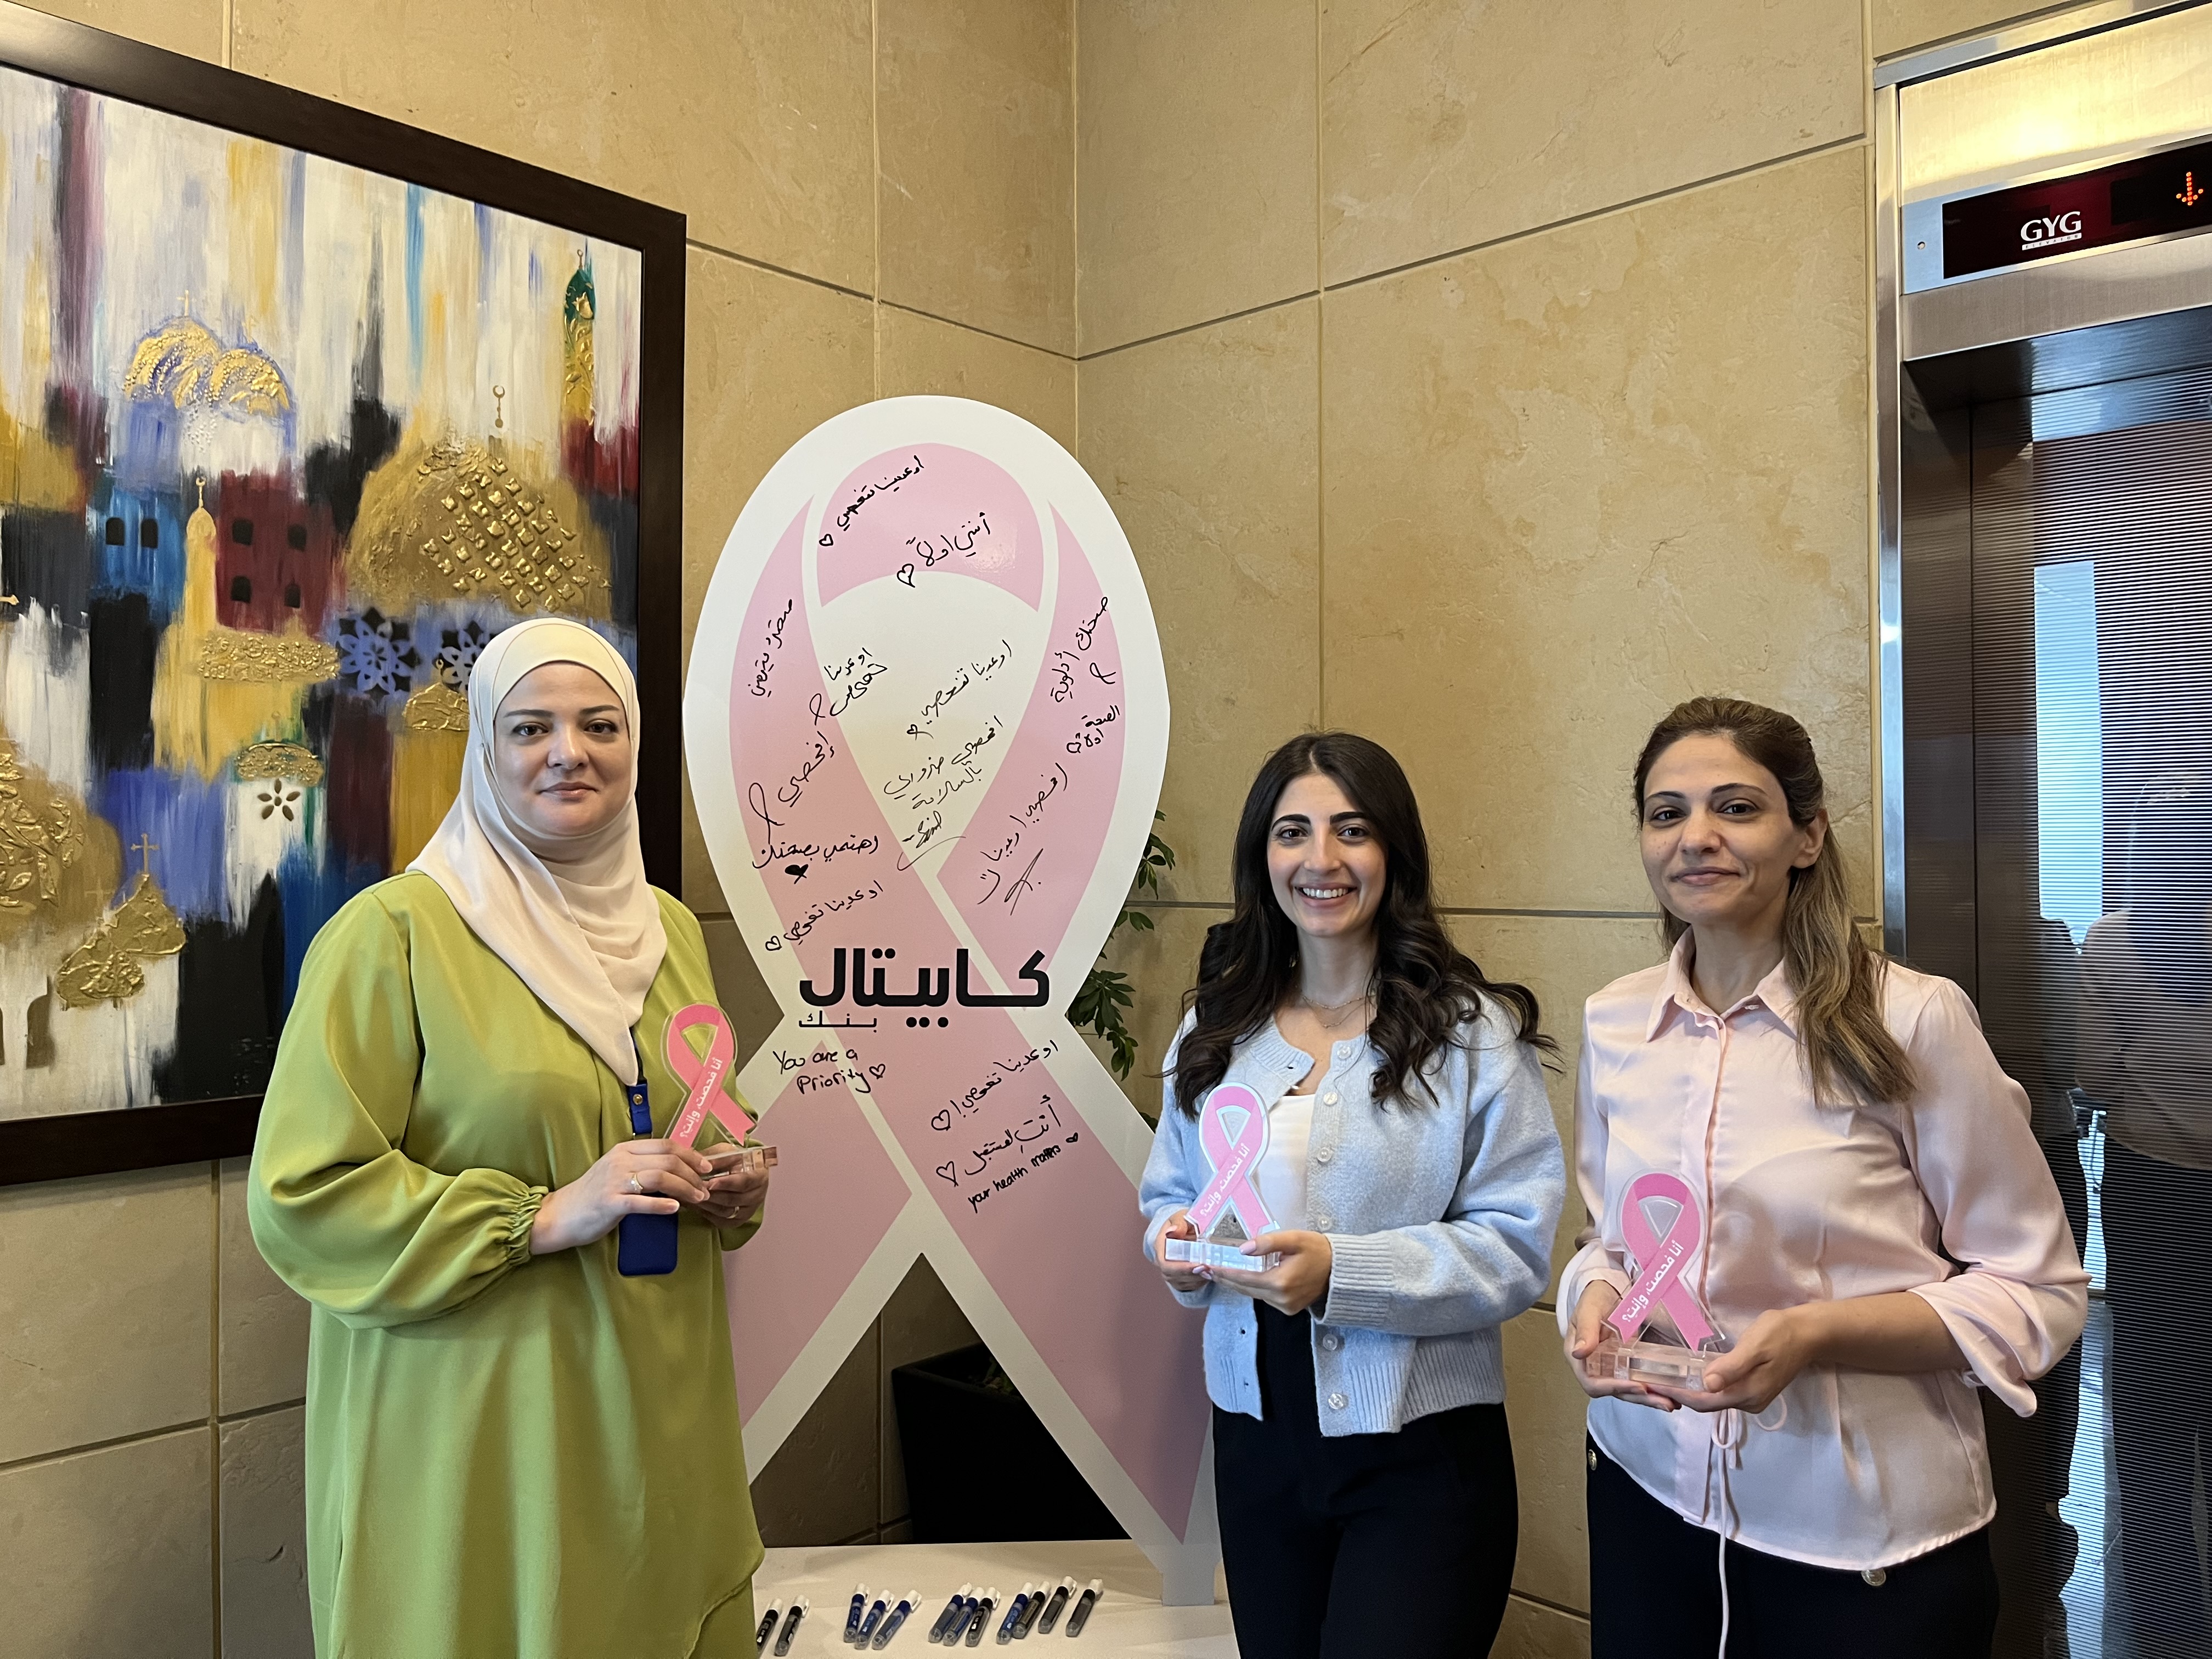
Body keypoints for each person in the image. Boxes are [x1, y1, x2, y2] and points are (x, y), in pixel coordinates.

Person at [249, 617, 771, 1659]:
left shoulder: (667, 931)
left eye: (600, 725)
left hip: (661, 1426)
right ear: (486, 751)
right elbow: (302, 1197)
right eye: (531, 728)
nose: (568, 752)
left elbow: (696, 1105)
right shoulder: (394, 934)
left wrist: (732, 1182)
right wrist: (540, 1215)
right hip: (485, 1435)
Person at [1562, 696, 2087, 1659]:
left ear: (1807, 835)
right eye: (1667, 813)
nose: (1696, 837)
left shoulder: (1913, 1020)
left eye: (1736, 807)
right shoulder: (1614, 1020)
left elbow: (2038, 1292)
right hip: (1647, 1499)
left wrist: (1815, 1335)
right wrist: (1594, 1298)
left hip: (1860, 1543)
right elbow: (1613, 1238)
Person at [1138, 731, 1565, 1659]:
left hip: (1423, 1453)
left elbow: (1516, 1247)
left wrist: (1342, 1274)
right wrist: (1174, 1245)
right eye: (1292, 832)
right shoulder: (1215, 1027)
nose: (1320, 859)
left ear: (1393, 852)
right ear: (1262, 856)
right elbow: (1170, 1190)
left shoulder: (1472, 1036)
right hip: (1256, 1440)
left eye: (1352, 831)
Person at [2078, 775, 2212, 1659]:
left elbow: (2093, 1076)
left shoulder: (2112, 942)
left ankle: (2167, 1617)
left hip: (2152, 1184)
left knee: (2154, 1402)